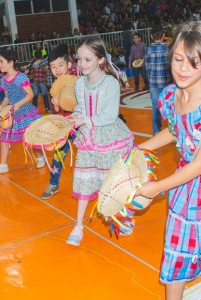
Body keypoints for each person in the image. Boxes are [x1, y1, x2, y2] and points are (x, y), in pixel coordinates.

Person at [135, 20, 201, 299]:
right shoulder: (172, 96)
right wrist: (140, 149)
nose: (181, 69)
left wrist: (157, 187)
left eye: (193, 63)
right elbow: (175, 131)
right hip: (187, 185)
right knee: (177, 248)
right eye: (177, 59)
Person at [66, 36, 134, 246]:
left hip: (109, 137)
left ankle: (123, 217)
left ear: (101, 60)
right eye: (79, 60)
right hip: (88, 139)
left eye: (88, 59)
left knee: (112, 182)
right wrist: (74, 118)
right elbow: (81, 108)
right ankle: (78, 226)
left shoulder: (111, 83)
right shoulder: (79, 83)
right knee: (84, 180)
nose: (82, 64)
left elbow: (110, 115)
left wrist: (84, 120)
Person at [0, 50, 45, 176]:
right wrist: (1, 107)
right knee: (4, 137)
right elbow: (7, 98)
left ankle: (40, 157)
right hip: (12, 113)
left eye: (1, 61)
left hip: (25, 111)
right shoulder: (3, 80)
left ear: (11, 62)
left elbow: (31, 94)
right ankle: (3, 165)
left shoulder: (20, 77)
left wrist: (18, 105)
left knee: (30, 137)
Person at [40, 44, 76, 200]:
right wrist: (55, 104)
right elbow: (56, 113)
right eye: (53, 67)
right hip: (65, 126)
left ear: (69, 65)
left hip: (82, 124)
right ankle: (53, 184)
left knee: (93, 152)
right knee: (58, 154)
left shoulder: (78, 81)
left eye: (61, 65)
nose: (57, 70)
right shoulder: (54, 87)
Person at [145, 25, 172, 134]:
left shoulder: (148, 50)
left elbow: (147, 68)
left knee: (156, 107)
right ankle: (173, 130)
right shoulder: (168, 49)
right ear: (164, 36)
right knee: (170, 107)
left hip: (153, 84)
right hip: (167, 83)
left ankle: (156, 130)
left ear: (151, 36)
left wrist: (150, 79)